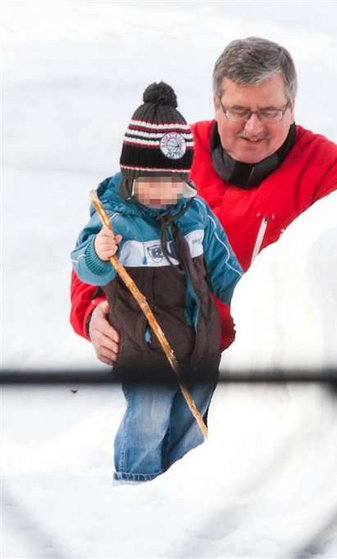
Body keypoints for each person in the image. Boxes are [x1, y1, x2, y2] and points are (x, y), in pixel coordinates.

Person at [70, 37, 337, 363]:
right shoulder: (172, 151)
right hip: (167, 355)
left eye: (270, 111)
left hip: (272, 362)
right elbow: (107, 229)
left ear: (292, 106)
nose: (253, 127)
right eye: (238, 110)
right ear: (216, 104)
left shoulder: (328, 170)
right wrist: (92, 312)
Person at [71, 82, 243, 482]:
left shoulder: (195, 214)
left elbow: (224, 269)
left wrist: (251, 300)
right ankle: (136, 479)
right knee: (149, 415)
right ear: (132, 175)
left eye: (175, 181)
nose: (167, 192)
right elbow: (85, 269)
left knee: (192, 415)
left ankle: (179, 480)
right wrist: (100, 253)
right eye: (155, 182)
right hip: (147, 350)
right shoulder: (114, 219)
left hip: (200, 344)